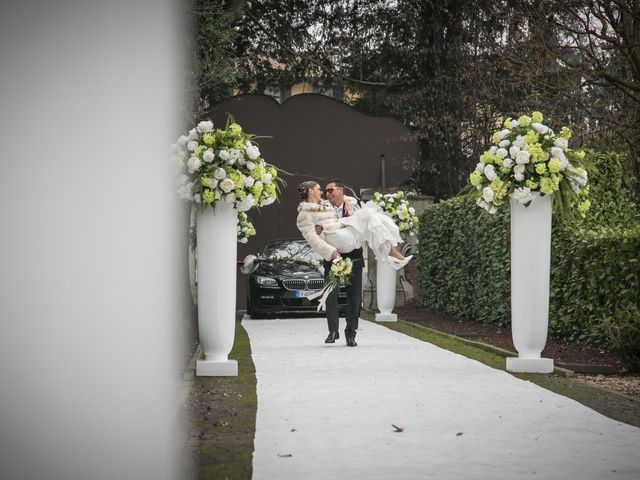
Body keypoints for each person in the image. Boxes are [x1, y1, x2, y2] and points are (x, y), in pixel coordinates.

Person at [295, 180, 412, 346]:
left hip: (354, 255)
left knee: (354, 297)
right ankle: (333, 331)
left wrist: (348, 205)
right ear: (310, 191)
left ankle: (351, 333)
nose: (326, 193)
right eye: (323, 190)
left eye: (330, 190)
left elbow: (349, 203)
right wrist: (331, 252)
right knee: (331, 294)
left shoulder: (348, 203)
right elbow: (313, 238)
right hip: (334, 255)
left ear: (340, 190)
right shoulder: (306, 213)